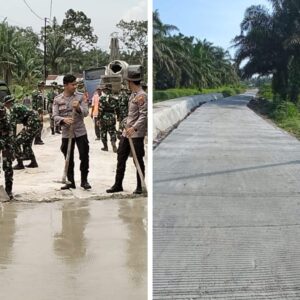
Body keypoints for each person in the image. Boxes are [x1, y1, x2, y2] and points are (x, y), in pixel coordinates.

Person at [106, 65, 147, 194]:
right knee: (121, 157)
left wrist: (134, 128)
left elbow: (143, 115)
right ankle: (118, 184)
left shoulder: (142, 96)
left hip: (136, 134)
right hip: (126, 132)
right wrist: (125, 123)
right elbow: (131, 114)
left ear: (130, 81)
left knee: (137, 160)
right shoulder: (133, 95)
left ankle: (140, 186)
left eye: (127, 82)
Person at [53, 74, 91, 190]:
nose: (75, 86)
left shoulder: (80, 97)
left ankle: (84, 181)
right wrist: (63, 120)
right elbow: (55, 116)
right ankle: (70, 181)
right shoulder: (57, 99)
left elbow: (85, 113)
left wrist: (79, 107)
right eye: (72, 84)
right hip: (66, 133)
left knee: (84, 156)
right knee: (68, 157)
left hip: (80, 132)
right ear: (65, 85)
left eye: (76, 84)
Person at [2, 95, 40, 170]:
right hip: (34, 124)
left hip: (32, 124)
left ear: (9, 102)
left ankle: (20, 164)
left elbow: (13, 125)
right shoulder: (17, 106)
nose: (6, 106)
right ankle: (33, 162)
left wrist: (10, 137)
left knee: (16, 141)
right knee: (27, 143)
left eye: (6, 104)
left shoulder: (14, 108)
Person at [0, 99, 14, 200]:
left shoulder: (3, 110)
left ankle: (8, 191)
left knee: (8, 165)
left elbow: (7, 127)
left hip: (7, 140)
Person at [97, 83, 118, 152]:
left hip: (104, 117)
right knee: (112, 131)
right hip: (112, 117)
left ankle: (105, 147)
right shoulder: (115, 98)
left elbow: (100, 109)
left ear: (105, 90)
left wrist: (98, 118)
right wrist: (118, 116)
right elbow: (117, 108)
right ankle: (113, 143)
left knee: (103, 131)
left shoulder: (102, 98)